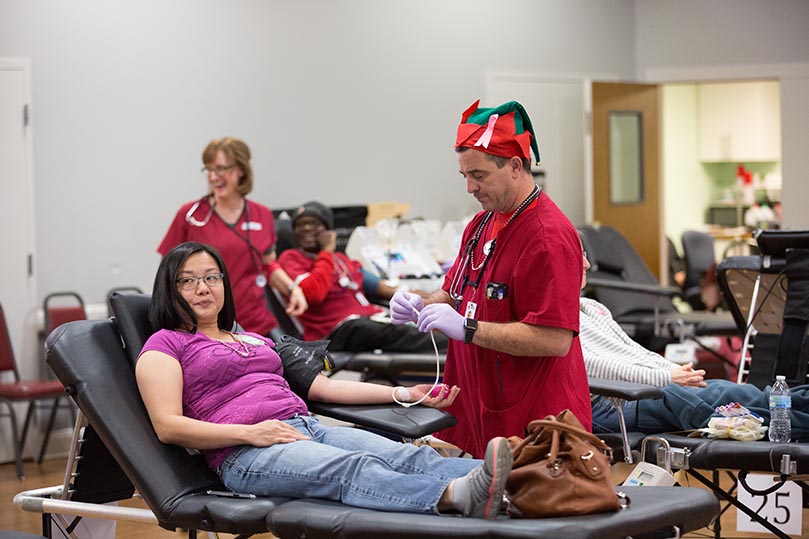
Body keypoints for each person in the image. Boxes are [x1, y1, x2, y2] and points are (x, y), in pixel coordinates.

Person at [135, 241, 513, 519]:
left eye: (211, 277)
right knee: (352, 468)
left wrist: (403, 393)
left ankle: (521, 483)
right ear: (171, 290)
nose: (203, 288)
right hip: (245, 452)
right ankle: (457, 495)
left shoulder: (253, 337)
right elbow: (168, 426)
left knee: (405, 455)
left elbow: (325, 388)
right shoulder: (165, 344)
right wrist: (250, 434)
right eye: (188, 281)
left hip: (305, 426)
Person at [390, 100, 592, 458]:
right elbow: (454, 294)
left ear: (515, 166)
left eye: (479, 176)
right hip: (481, 410)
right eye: (464, 176)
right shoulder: (481, 224)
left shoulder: (547, 236)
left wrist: (468, 328)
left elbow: (555, 338)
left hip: (537, 425)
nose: (469, 188)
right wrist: (419, 302)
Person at [578, 251, 809, 441]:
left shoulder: (590, 307)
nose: (587, 263)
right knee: (716, 403)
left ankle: (802, 400)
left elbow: (634, 351)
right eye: (579, 255)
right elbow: (590, 367)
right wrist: (665, 377)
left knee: (727, 390)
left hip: (641, 393)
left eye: (587, 254)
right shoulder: (554, 318)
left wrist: (675, 372)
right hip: (611, 405)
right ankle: (800, 422)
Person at [157, 137, 306, 338]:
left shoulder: (261, 214)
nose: (213, 176)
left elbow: (268, 265)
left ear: (241, 170)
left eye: (220, 169)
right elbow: (168, 274)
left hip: (254, 325)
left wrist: (293, 288)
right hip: (205, 328)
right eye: (208, 170)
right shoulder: (191, 215)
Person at [277, 201, 449, 354]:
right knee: (390, 331)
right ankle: (452, 350)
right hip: (334, 331)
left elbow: (384, 288)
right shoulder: (290, 258)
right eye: (300, 225)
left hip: (369, 318)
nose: (306, 228)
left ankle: (458, 347)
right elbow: (313, 294)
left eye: (314, 224)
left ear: (328, 229)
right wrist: (326, 252)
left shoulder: (343, 260)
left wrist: (433, 297)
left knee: (424, 320)